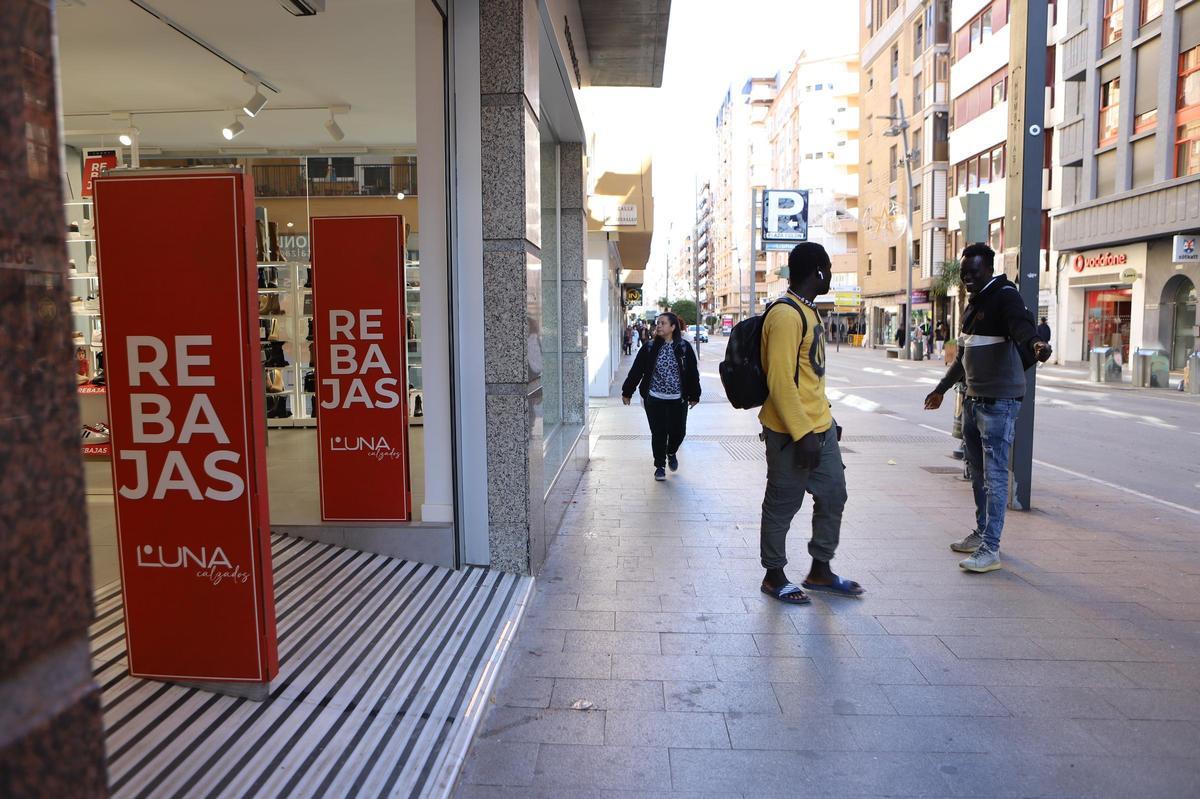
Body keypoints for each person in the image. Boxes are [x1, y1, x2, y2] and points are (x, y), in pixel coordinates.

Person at [923, 243, 1051, 573]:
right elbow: (965, 356)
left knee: (994, 476)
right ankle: (981, 533)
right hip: (973, 399)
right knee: (978, 474)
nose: (967, 278)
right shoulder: (973, 303)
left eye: (974, 273)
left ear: (989, 270)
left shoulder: (1005, 295)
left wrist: (1036, 343)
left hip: (999, 403)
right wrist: (941, 389)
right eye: (964, 273)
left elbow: (1023, 326)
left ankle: (991, 548)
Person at [758, 242, 864, 604]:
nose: (831, 275)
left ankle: (820, 569)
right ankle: (774, 576)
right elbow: (780, 382)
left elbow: (810, 378)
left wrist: (827, 419)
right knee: (782, 503)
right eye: (829, 269)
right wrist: (803, 433)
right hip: (791, 434)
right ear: (818, 271)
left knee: (834, 494)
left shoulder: (809, 312)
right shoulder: (786, 315)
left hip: (820, 430)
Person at [621, 312, 701, 481]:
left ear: (673, 327)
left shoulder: (684, 347)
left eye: (663, 323)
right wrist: (627, 392)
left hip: (677, 399)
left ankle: (671, 451)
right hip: (654, 398)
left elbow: (693, 373)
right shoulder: (649, 347)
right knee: (659, 433)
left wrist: (695, 395)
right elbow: (636, 371)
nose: (658, 326)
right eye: (658, 323)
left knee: (679, 432)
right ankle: (660, 466)